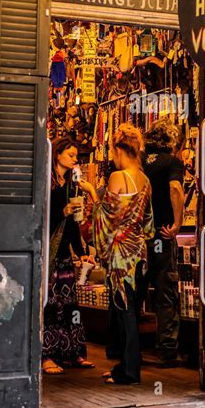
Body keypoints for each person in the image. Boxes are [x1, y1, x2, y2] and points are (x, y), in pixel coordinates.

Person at [79, 125, 155, 385]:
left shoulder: (117, 178)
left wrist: (90, 192)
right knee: (131, 311)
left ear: (120, 150)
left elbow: (105, 219)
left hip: (121, 258)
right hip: (141, 254)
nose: (112, 156)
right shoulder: (145, 180)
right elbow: (148, 222)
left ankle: (129, 372)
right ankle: (125, 365)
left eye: (112, 150)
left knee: (125, 314)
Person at [42, 137, 95, 374]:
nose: (75, 159)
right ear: (58, 154)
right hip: (48, 250)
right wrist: (61, 211)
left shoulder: (72, 185)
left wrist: (82, 253)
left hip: (64, 252)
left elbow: (74, 224)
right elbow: (40, 217)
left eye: (76, 156)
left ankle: (73, 352)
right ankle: (47, 355)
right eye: (71, 155)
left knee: (70, 305)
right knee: (51, 305)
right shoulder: (47, 182)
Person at [142, 119, 185, 367]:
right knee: (165, 293)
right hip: (162, 235)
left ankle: (126, 350)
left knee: (134, 292)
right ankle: (167, 351)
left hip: (138, 237)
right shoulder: (172, 163)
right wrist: (177, 223)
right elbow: (176, 189)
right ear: (172, 142)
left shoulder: (138, 163)